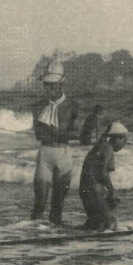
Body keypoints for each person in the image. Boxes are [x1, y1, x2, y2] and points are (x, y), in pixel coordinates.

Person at [31, 58, 79, 225]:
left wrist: (54, 132)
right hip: (45, 153)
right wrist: (59, 133)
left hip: (64, 154)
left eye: (53, 85)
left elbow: (76, 133)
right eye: (46, 85)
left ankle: (54, 236)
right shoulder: (38, 106)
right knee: (39, 203)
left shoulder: (72, 106)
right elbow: (39, 134)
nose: (49, 88)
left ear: (61, 85)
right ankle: (32, 234)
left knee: (57, 205)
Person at [79, 121, 128, 231]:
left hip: (86, 189)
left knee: (97, 222)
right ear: (118, 138)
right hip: (92, 190)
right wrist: (111, 190)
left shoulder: (101, 146)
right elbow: (102, 172)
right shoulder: (107, 148)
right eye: (124, 141)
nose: (124, 145)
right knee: (110, 224)